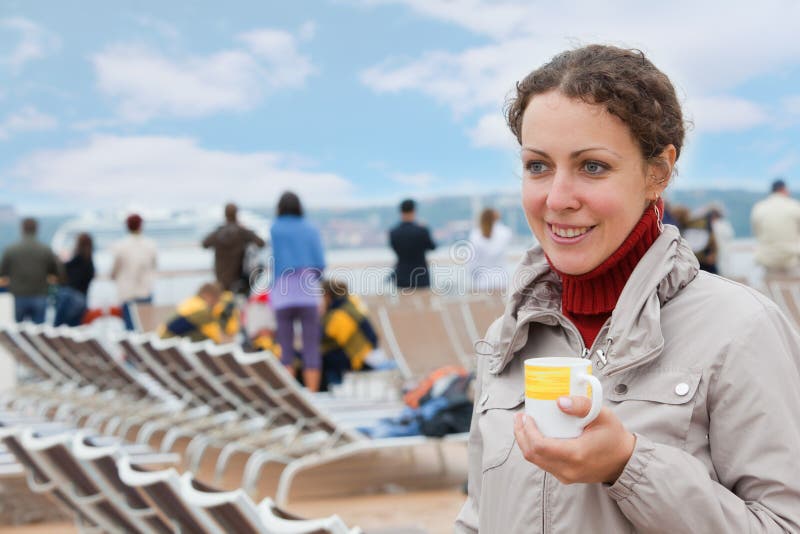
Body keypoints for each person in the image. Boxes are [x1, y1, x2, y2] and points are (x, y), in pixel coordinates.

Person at [456, 45, 800, 533]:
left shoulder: (740, 330)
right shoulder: (508, 337)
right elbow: (477, 518)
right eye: (538, 165)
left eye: (592, 166)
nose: (557, 198)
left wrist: (629, 465)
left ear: (657, 172)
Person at [270, 191, 326, 392]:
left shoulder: (275, 229)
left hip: (282, 294)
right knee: (311, 347)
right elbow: (320, 264)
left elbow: (274, 262)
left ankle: (290, 394)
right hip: (308, 292)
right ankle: (312, 394)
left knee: (285, 349)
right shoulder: (310, 229)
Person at [319, 277, 379, 388]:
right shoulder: (352, 305)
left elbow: (325, 338)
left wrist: (320, 316)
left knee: (318, 359)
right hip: (368, 354)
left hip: (359, 360)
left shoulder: (338, 314)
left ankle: (331, 387)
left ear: (327, 296)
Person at [0, 217, 62, 323]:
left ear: (22, 229)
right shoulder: (46, 250)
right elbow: (56, 273)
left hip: (18, 295)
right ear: (36, 229)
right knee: (39, 330)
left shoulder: (11, 250)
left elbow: (2, 273)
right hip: (40, 294)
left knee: (17, 331)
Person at [202, 203, 265, 294]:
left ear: (225, 215)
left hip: (221, 279)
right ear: (236, 214)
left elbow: (204, 244)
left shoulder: (218, 232)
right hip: (238, 279)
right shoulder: (242, 231)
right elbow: (261, 243)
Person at [111, 214, 158, 331]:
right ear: (141, 226)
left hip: (127, 293)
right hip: (145, 291)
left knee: (130, 330)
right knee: (146, 328)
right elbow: (154, 265)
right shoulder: (150, 245)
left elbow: (115, 270)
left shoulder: (120, 246)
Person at [751, 179, 800, 276]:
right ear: (784, 189)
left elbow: (756, 233)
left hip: (767, 260)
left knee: (770, 288)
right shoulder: (795, 206)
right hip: (792, 259)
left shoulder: (759, 208)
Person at [158, 282, 236, 343]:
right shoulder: (202, 310)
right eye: (216, 299)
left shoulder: (191, 302)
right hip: (171, 344)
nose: (216, 303)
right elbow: (217, 337)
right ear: (207, 295)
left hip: (164, 339)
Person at [388, 199, 436, 289]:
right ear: (414, 211)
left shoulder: (393, 232)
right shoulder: (422, 231)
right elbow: (432, 247)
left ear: (400, 212)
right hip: (421, 275)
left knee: (402, 302)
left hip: (401, 275)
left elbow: (393, 248)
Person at [54, 233, 95, 327]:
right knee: (74, 329)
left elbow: (64, 270)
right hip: (81, 298)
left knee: (58, 328)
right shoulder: (89, 261)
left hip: (69, 295)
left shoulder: (76, 259)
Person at [467, 208, 512, 291]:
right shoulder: (505, 232)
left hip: (482, 281)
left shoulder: (475, 235)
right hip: (502, 280)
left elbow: (472, 262)